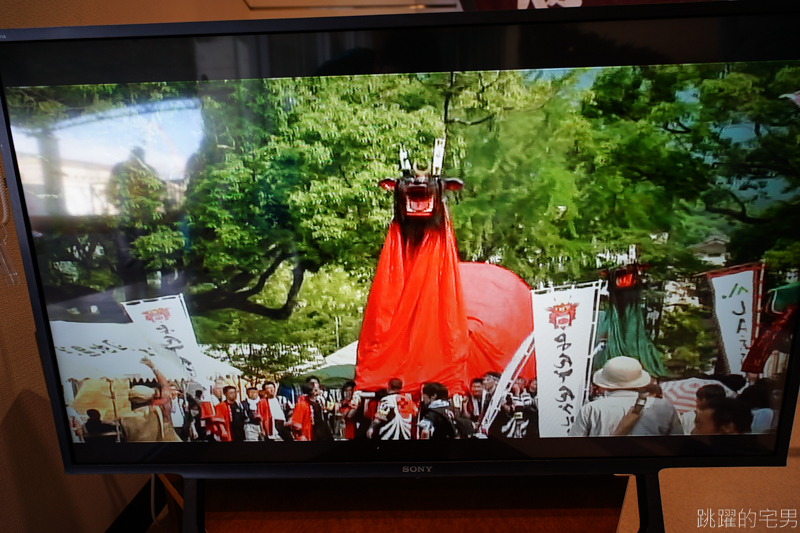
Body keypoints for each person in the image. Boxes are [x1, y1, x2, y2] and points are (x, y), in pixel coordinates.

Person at [570, 356, 683, 437]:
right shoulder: (663, 407)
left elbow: (575, 446)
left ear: (605, 384)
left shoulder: (592, 408)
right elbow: (677, 443)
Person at [119, 358, 181, 442]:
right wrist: (153, 367)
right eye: (157, 391)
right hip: (168, 437)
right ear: (154, 395)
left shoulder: (133, 416)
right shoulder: (163, 405)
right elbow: (164, 384)